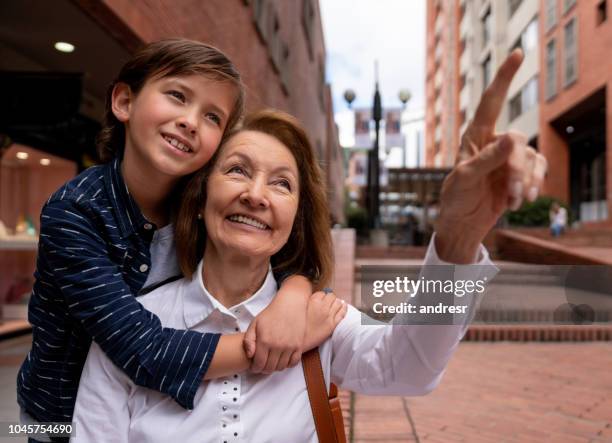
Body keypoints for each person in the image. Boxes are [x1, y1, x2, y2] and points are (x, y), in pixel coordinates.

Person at [72, 50, 548, 439]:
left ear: (294, 219)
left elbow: (413, 368)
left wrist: (458, 239)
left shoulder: (321, 324)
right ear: (198, 199)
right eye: (237, 170)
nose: (256, 195)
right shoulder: (135, 330)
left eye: (281, 184)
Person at [17, 39, 324, 442]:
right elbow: (144, 350)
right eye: (178, 96)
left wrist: (294, 296)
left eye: (213, 116)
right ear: (124, 101)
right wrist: (278, 344)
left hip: (145, 407)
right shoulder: (74, 213)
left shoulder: (202, 204)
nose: (191, 121)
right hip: (59, 417)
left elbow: (280, 256)